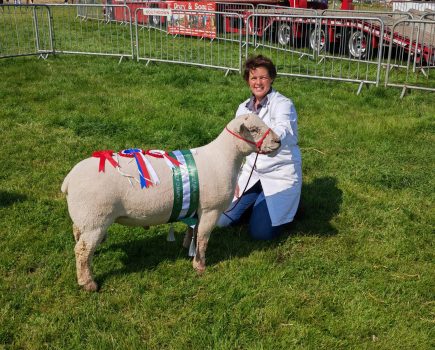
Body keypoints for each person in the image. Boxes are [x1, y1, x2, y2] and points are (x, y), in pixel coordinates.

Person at [216, 55, 302, 240]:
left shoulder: (283, 104)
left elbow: (283, 128)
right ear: (248, 80)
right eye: (253, 78)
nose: (258, 82)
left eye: (263, 77)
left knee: (260, 235)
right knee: (221, 222)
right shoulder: (242, 109)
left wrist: (271, 139)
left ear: (271, 78)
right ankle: (256, 203)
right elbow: (235, 147)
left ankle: (288, 207)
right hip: (252, 173)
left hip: (280, 174)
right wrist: (233, 180)